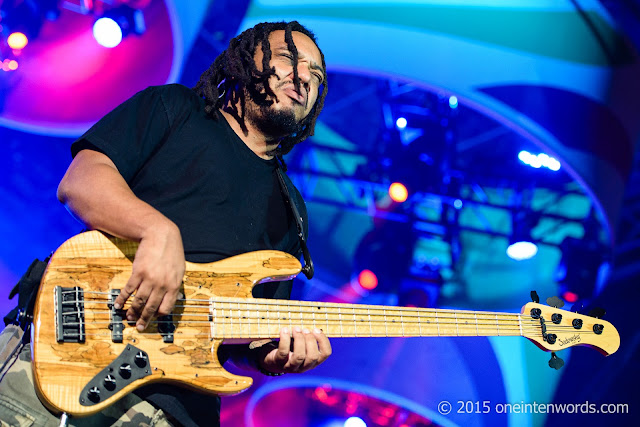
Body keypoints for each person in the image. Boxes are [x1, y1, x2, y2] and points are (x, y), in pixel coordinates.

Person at [0, 21, 331, 426]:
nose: (303, 78)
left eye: (315, 76)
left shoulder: (291, 208)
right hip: (63, 359)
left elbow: (256, 327)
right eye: (288, 59)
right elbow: (81, 181)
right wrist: (156, 230)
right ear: (246, 60)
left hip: (174, 413)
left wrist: (276, 356)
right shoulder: (177, 109)